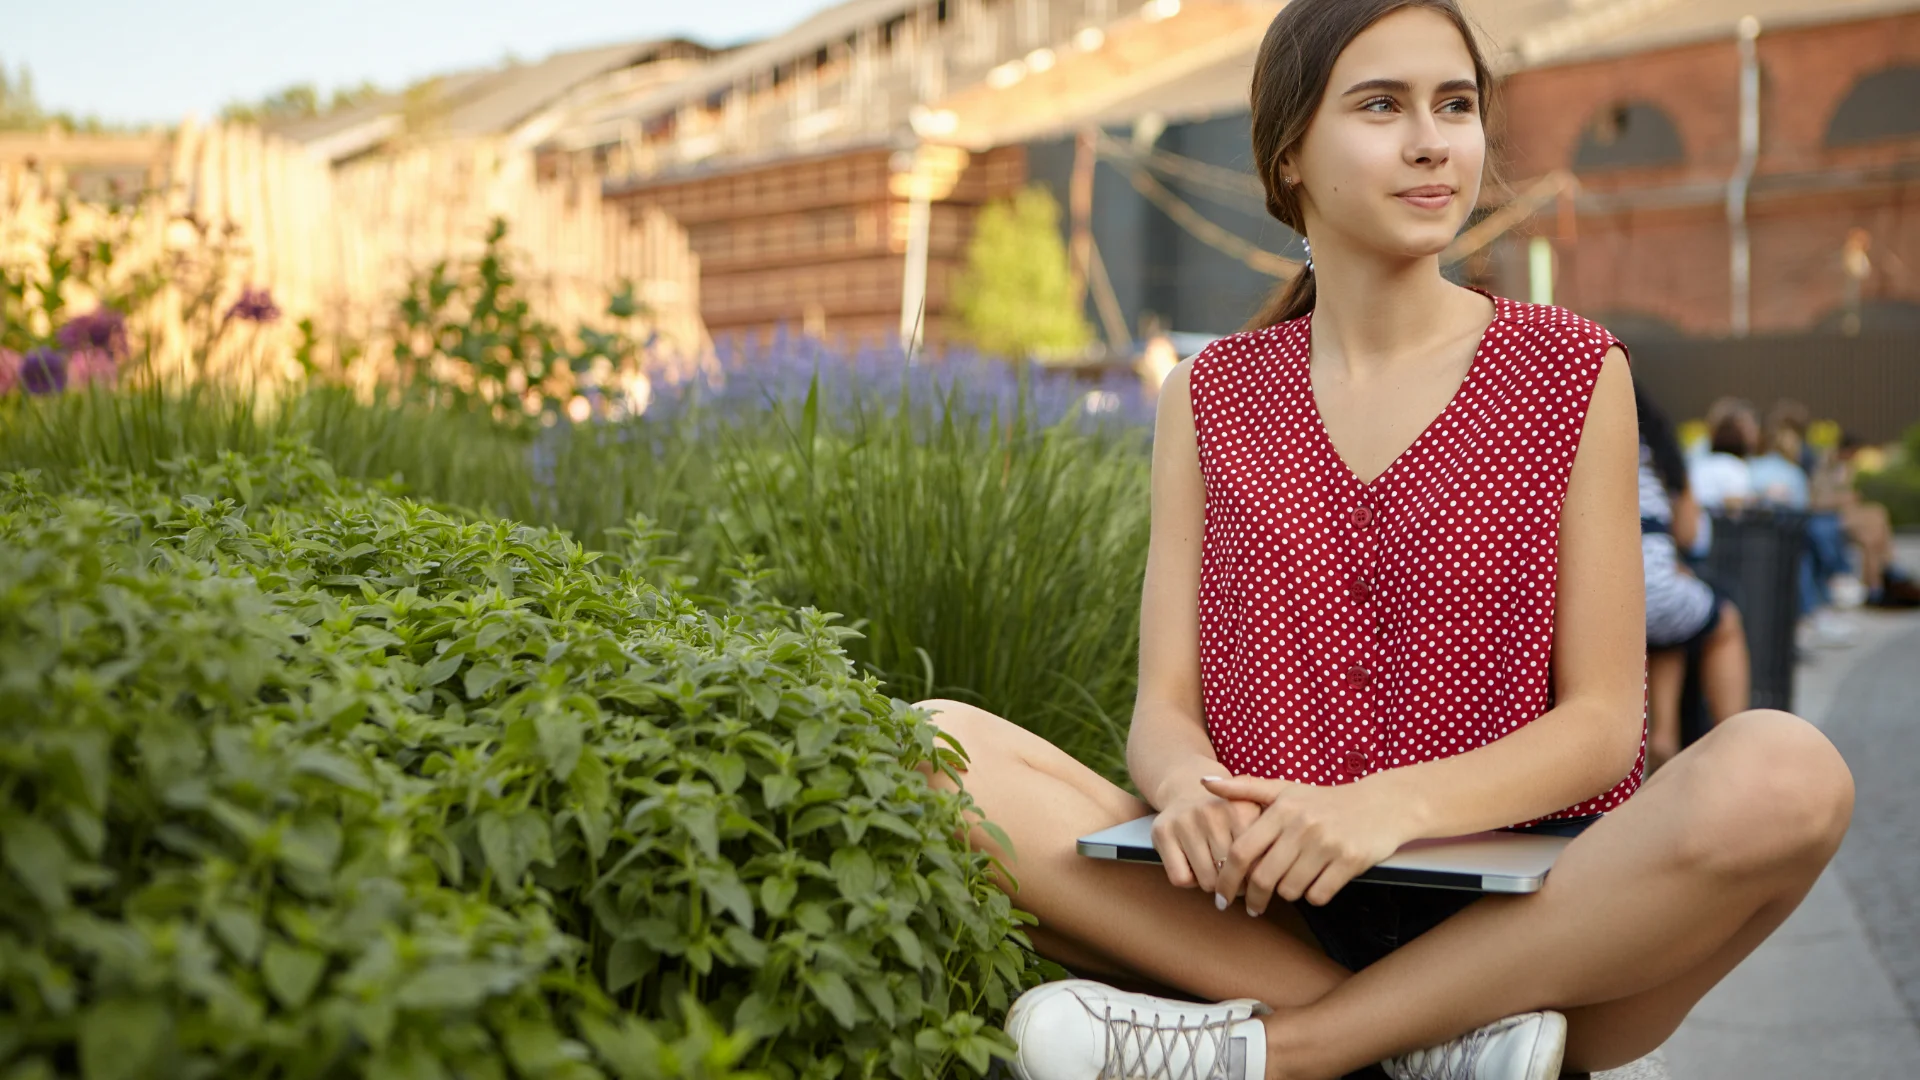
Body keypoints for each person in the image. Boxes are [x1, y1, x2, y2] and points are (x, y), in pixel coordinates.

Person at [909, 3, 1855, 1079]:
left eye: (1456, 105)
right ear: (1290, 155)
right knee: (934, 751)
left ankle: (1294, 1049)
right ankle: (1433, 1048)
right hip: (1247, 917)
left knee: (1789, 771)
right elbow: (1164, 707)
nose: (1432, 141)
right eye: (1381, 106)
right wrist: (1185, 792)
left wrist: (1384, 808)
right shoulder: (1208, 395)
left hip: (1533, 931)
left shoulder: (1574, 370)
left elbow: (1604, 729)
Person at [1635, 385, 1750, 770]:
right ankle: (1733, 751)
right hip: (1649, 590)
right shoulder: (1656, 450)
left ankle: (1663, 738)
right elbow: (1689, 534)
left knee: (1671, 628)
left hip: (1583, 596)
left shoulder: (1559, 433)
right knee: (1724, 621)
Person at [1687, 398, 1758, 511]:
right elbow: (1734, 502)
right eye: (1750, 428)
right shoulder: (1734, 468)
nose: (1755, 433)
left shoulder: (1700, 463)